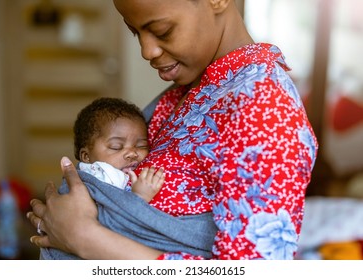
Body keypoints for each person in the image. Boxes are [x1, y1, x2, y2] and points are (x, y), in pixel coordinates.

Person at [27, 0, 318, 260]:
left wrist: (85, 238)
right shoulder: (199, 88)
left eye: (162, 30)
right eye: (135, 32)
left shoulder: (265, 107)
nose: (146, 50)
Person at [40, 97, 217, 259]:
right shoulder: (97, 175)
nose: (132, 153)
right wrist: (138, 198)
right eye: (117, 146)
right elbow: (105, 219)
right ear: (86, 156)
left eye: (141, 145)